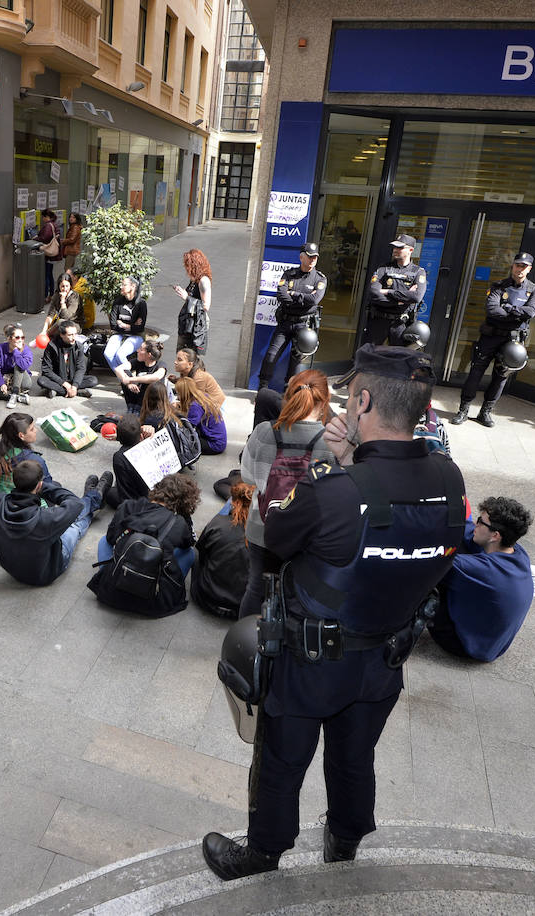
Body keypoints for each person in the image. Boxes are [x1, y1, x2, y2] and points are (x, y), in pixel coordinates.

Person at [202, 344, 467, 879]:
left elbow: (274, 533)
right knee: (354, 757)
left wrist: (332, 464)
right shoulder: (449, 479)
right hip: (385, 658)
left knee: (281, 761)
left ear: (364, 401)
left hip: (310, 660)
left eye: (352, 396)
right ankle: (343, 845)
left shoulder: (335, 488)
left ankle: (263, 852)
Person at [238, 368, 334, 619]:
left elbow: (247, 477)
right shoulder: (331, 442)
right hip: (309, 534)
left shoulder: (264, 432)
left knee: (256, 587)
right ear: (324, 402)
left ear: (288, 396)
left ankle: (245, 645)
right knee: (300, 593)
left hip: (263, 528)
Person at [0, 462, 113, 590]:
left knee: (68, 516)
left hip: (13, 570)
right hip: (46, 573)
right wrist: (45, 488)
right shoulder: (45, 518)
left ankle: (94, 496)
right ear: (39, 485)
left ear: (15, 483)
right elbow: (75, 504)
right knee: (74, 524)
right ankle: (94, 497)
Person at [426, 497, 534, 662]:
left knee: (428, 574)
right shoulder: (518, 552)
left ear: (495, 535)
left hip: (463, 646)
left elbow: (428, 561)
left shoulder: (484, 571)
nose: (475, 524)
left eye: (480, 522)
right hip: (492, 645)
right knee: (462, 542)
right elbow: (466, 530)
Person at [88, 473, 200, 617]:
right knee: (189, 553)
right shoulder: (178, 522)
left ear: (157, 489)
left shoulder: (128, 506)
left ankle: (107, 574)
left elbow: (111, 539)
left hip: (112, 590)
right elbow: (188, 543)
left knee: (104, 540)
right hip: (154, 601)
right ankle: (170, 587)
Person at [452, 252, 535, 428]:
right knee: (475, 373)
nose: (519, 269)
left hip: (512, 341)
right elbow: (492, 310)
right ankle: (463, 410)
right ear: (512, 266)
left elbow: (530, 312)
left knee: (500, 377)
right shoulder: (499, 286)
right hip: (490, 336)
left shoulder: (534, 289)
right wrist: (516, 313)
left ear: (529, 269)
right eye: (517, 265)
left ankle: (485, 412)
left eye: (524, 266)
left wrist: (507, 308)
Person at [257, 242, 327, 392]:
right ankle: (262, 388)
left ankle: (289, 392)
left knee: (295, 362)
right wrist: (304, 299)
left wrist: (294, 295)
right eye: (309, 257)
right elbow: (281, 295)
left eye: (315, 257)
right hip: (285, 322)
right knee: (271, 354)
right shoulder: (289, 274)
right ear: (301, 257)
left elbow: (314, 300)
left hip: (304, 325)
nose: (313, 260)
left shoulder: (320, 279)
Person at [0, 412, 57, 519]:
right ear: (21, 435)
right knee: (53, 488)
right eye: (31, 429)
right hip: (9, 520)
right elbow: (47, 488)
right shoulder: (33, 460)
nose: (36, 431)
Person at [190, 480, 254, 618]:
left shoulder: (218, 522)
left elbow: (201, 551)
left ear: (233, 501)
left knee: (194, 553)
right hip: (242, 607)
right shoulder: (264, 533)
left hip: (206, 599)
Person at [364, 235, 426, 346]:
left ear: (410, 250)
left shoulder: (418, 272)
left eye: (400, 248)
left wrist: (388, 292)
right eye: (395, 247)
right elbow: (374, 293)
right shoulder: (384, 268)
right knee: (368, 355)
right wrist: (400, 301)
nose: (395, 250)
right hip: (379, 320)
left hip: (401, 324)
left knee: (398, 358)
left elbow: (416, 297)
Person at [38, 319, 96, 398]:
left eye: (75, 334)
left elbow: (81, 368)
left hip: (72, 378)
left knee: (93, 380)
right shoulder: (52, 346)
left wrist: (75, 385)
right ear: (62, 335)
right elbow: (46, 369)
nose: (74, 337)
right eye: (70, 335)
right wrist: (66, 385)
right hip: (58, 379)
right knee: (42, 381)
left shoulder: (78, 347)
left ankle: (58, 391)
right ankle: (76, 392)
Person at [107, 415, 151, 510]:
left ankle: (100, 490)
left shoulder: (119, 457)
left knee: (109, 492)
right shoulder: (148, 447)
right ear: (140, 436)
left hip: (134, 503)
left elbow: (125, 491)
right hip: (153, 497)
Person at [174, 376, 227, 455]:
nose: (177, 397)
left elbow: (188, 427)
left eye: (178, 393)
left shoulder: (195, 406)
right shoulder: (203, 396)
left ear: (184, 393)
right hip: (220, 441)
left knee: (180, 439)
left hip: (213, 445)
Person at [174, 248, 213, 355]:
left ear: (194, 265)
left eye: (187, 264)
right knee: (181, 353)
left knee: (189, 356)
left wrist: (187, 297)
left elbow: (206, 306)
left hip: (196, 323)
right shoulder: (194, 279)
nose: (185, 267)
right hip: (187, 320)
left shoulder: (203, 281)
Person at [104, 277, 148, 370]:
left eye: (124, 285)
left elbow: (140, 328)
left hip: (136, 336)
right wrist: (131, 326)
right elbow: (113, 325)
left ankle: (128, 378)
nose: (121, 287)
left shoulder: (141, 303)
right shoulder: (117, 302)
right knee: (107, 354)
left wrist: (123, 325)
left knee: (120, 354)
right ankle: (124, 377)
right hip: (119, 334)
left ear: (133, 286)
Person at [115, 337, 167, 414]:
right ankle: (131, 407)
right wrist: (128, 383)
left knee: (150, 384)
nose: (137, 351)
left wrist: (132, 379)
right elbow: (118, 369)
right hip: (138, 395)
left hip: (151, 402)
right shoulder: (138, 361)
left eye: (141, 349)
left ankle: (140, 410)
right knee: (125, 373)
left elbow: (156, 377)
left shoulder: (160, 365)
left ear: (148, 355)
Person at [0, 323, 35, 407]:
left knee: (18, 365)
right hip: (7, 379)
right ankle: (17, 397)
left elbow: (23, 366)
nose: (20, 340)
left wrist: (16, 351)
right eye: (17, 337)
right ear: (9, 338)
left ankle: (14, 394)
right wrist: (1, 384)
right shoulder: (0, 348)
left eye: (22, 337)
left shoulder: (25, 349)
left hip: (23, 381)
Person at [170, 347, 225, 411]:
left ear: (189, 364)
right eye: (176, 359)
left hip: (215, 407)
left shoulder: (199, 378)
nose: (175, 362)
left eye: (179, 360)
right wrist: (176, 380)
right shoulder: (185, 372)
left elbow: (196, 402)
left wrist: (178, 405)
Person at [36, 209, 61, 299]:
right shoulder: (54, 224)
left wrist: (35, 238)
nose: (42, 219)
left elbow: (44, 237)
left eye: (43, 217)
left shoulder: (48, 226)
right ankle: (51, 294)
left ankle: (46, 295)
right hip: (53, 255)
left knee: (46, 274)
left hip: (48, 254)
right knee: (49, 273)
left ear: (47, 217)